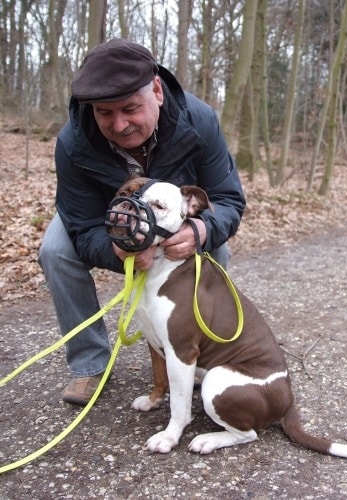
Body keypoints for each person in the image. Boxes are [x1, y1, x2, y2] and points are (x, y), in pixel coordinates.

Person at [38, 38, 246, 406]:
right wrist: (117, 250)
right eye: (105, 113)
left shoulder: (199, 121)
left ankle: (195, 351)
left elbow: (227, 200)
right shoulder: (73, 142)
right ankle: (89, 364)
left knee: (215, 247)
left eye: (130, 109)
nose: (119, 124)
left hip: (174, 215)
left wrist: (200, 230)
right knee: (55, 251)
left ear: (156, 90)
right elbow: (83, 224)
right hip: (107, 219)